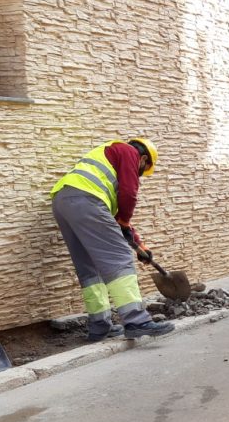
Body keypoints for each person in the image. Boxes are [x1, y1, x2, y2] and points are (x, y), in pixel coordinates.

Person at [49, 138, 175, 340]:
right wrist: (125, 222)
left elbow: (117, 221)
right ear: (143, 158)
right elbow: (129, 194)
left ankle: (99, 326)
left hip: (62, 201)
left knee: (88, 265)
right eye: (142, 171)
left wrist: (139, 244)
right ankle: (136, 321)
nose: (138, 175)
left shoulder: (107, 162)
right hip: (87, 200)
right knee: (119, 257)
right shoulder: (128, 151)